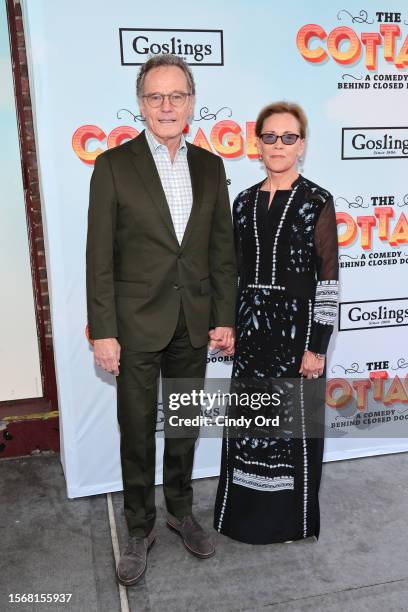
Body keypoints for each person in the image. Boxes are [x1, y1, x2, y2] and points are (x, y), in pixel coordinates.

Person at [86, 54, 237, 586]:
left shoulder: (210, 166)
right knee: (135, 429)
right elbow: (99, 258)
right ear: (142, 104)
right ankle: (137, 525)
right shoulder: (112, 166)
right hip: (133, 325)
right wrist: (104, 330)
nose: (166, 106)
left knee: (184, 425)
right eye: (156, 97)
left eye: (176, 96)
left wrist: (224, 316)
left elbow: (222, 250)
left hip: (194, 321)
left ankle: (179, 510)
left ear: (191, 103)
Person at [214, 101, 339, 544]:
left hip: (297, 334)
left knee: (292, 433)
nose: (279, 145)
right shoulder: (243, 201)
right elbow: (233, 272)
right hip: (251, 332)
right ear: (258, 143)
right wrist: (227, 324)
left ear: (301, 145)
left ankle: (289, 522)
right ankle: (242, 519)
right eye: (270, 136)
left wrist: (317, 346)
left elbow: (328, 280)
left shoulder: (317, 200)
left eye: (289, 137)